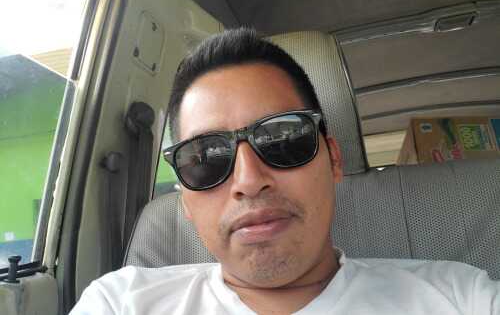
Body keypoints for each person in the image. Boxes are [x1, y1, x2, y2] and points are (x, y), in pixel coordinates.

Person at [71, 28, 499, 314]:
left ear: (333, 159)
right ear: (184, 197)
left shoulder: (460, 298)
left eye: (282, 138)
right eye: (205, 157)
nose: (248, 180)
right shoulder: (121, 303)